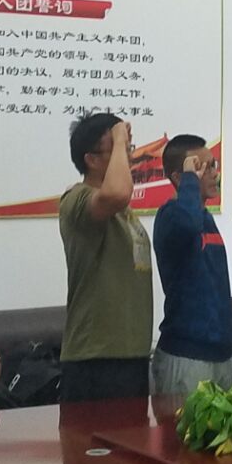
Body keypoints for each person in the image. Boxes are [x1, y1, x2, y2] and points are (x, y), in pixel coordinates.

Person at [58, 113, 154, 400]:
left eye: (128, 148)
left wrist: (119, 142)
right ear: (92, 159)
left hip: (132, 354)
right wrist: (120, 137)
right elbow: (118, 193)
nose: (128, 156)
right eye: (118, 149)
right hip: (96, 358)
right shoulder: (77, 198)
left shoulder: (124, 213)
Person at [150, 134, 232, 395]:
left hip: (222, 356)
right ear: (179, 177)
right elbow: (187, 224)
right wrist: (189, 178)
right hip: (186, 356)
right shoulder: (171, 215)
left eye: (213, 165)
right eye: (202, 167)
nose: (213, 173)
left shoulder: (205, 218)